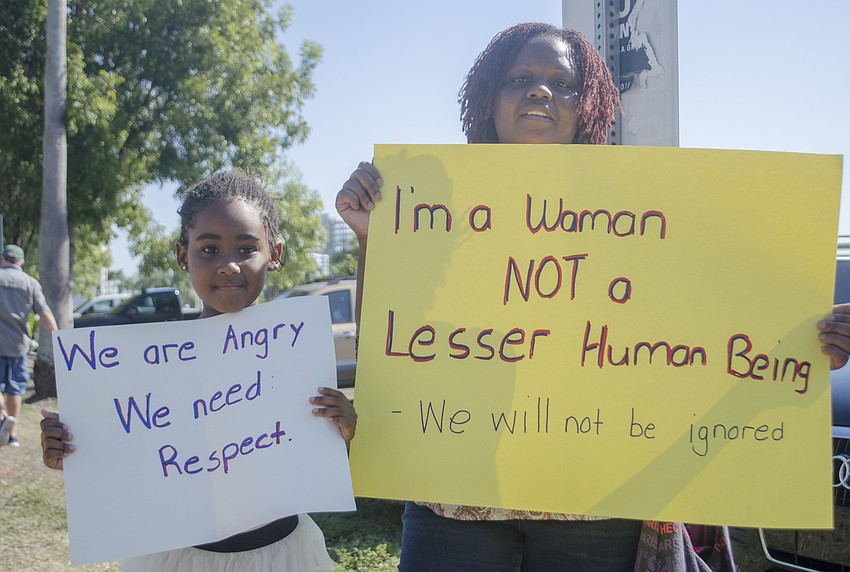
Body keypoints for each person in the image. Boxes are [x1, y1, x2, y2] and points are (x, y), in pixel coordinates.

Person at [335, 23, 850, 572]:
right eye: (521, 78)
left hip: (594, 511)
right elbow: (390, 342)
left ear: (589, 108)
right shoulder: (428, 204)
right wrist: (373, 239)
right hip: (452, 502)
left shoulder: (637, 211)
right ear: (489, 97)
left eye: (564, 83)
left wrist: (804, 342)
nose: (540, 91)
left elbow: (694, 336)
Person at [41, 170, 357, 571]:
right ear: (181, 255)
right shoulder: (142, 369)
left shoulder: (297, 355)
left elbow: (308, 453)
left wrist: (343, 427)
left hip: (283, 555)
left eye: (246, 249)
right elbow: (126, 455)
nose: (228, 265)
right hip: (179, 559)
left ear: (274, 254)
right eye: (209, 249)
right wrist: (74, 449)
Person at [0, 243, 58, 447]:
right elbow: (44, 313)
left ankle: (1, 416)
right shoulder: (30, 283)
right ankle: (12, 435)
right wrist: (60, 340)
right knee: (15, 389)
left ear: (2, 259)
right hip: (18, 345)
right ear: (22, 262)